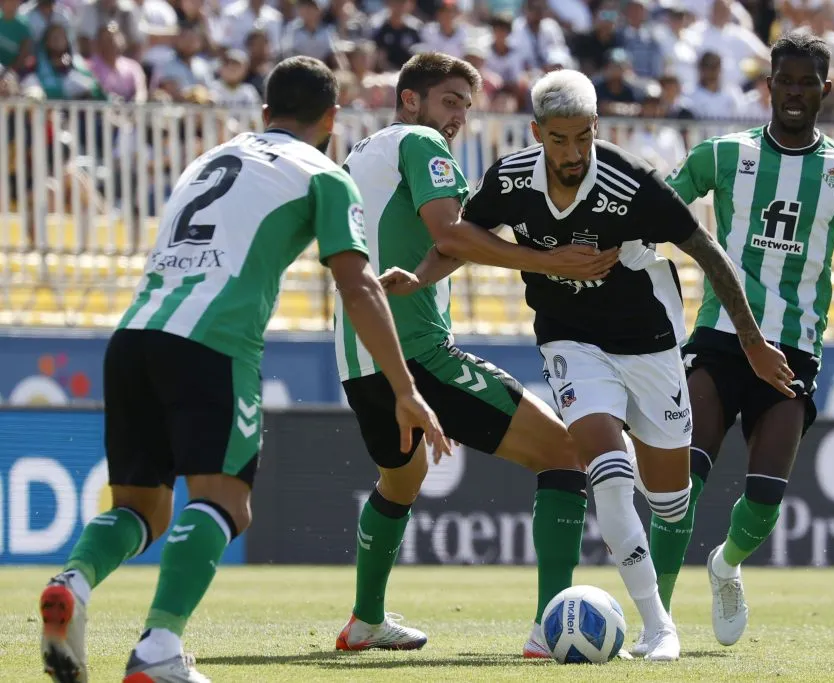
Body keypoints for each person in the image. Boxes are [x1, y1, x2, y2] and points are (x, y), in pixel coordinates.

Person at [37, 56, 448, 683]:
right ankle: (157, 650)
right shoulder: (323, 174)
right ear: (332, 119)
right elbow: (359, 286)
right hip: (214, 343)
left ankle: (74, 581)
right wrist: (404, 387)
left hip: (133, 336)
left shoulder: (209, 158)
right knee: (226, 502)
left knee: (143, 510)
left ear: (264, 113)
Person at [397, 67, 793, 661]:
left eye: (584, 136)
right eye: (559, 139)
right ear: (536, 133)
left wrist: (753, 343)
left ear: (595, 128)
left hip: (651, 343)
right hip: (569, 341)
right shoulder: (508, 180)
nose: (574, 151)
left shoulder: (632, 182)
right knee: (606, 475)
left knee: (671, 500)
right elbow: (460, 238)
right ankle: (659, 627)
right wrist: (419, 279)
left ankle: (644, 501)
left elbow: (708, 253)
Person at [333, 52, 620, 657]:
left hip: (361, 359)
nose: (459, 115)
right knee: (565, 454)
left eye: (466, 104)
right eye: (449, 100)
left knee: (400, 481)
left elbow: (441, 242)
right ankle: (552, 628)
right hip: (419, 353)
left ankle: (365, 620)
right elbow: (453, 234)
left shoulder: (363, 154)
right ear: (411, 100)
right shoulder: (421, 143)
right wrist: (548, 260)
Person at [639, 31, 834, 653]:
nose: (796, 92)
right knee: (682, 479)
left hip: (795, 350)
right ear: (768, 85)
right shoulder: (723, 155)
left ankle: (726, 564)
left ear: (826, 90)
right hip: (720, 339)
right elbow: (659, 205)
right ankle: (658, 623)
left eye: (809, 82)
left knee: (765, 501)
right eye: (786, 80)